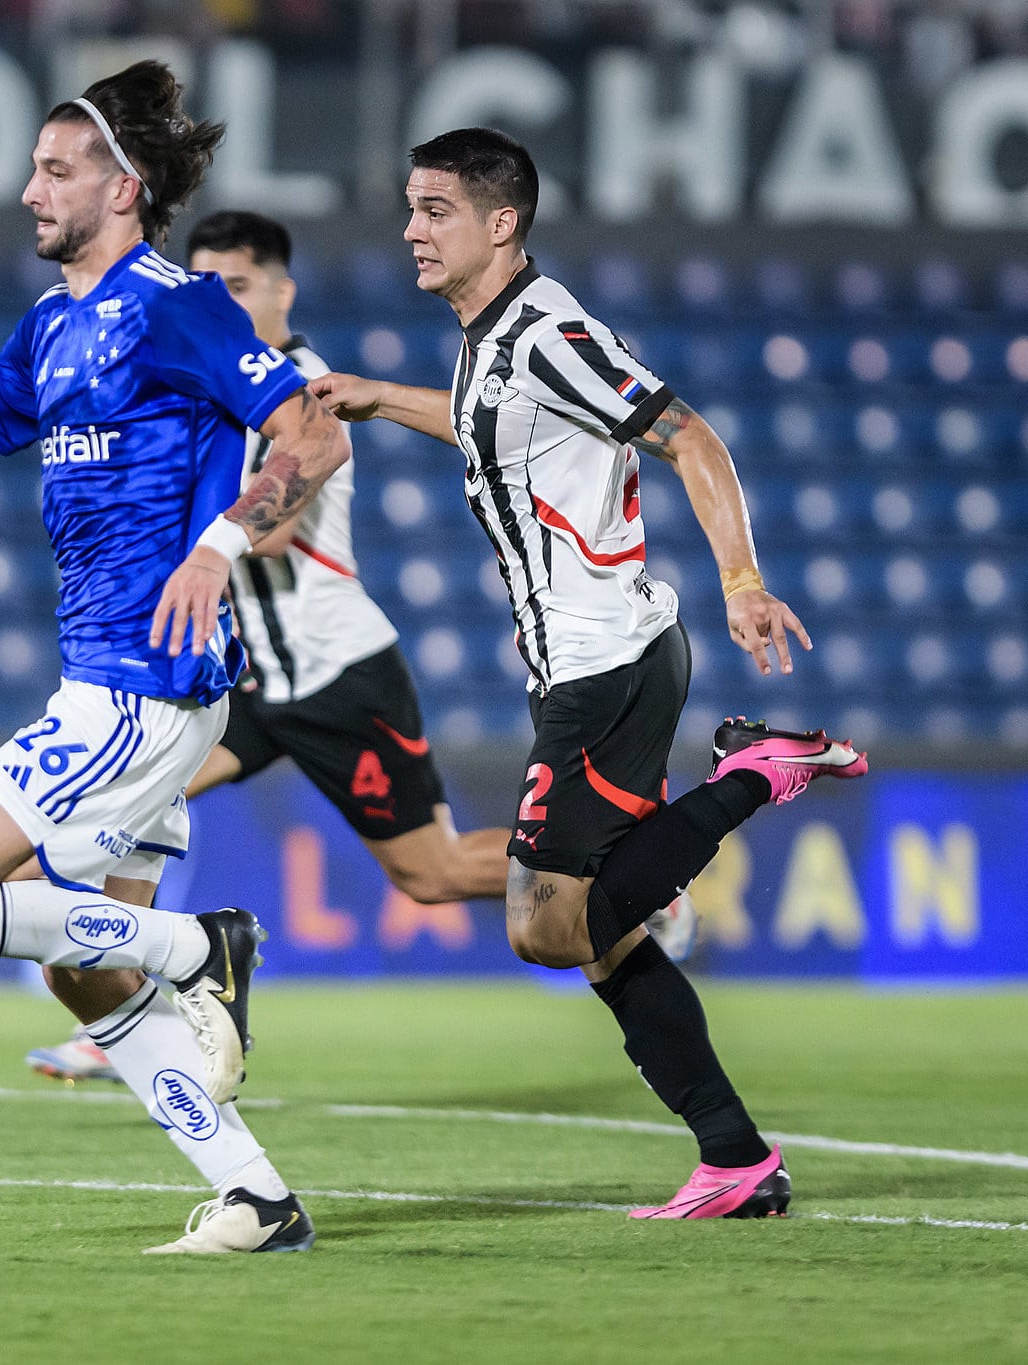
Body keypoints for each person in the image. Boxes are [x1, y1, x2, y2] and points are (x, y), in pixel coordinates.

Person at [0, 60, 350, 1254]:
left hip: (138, 686)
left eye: (54, 169)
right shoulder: (49, 328)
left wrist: (216, 545)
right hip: (115, 686)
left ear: (125, 185)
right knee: (79, 977)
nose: (26, 191)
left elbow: (310, 432)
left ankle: (206, 944)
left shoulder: (177, 303)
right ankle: (254, 1194)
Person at [310, 127, 866, 1219]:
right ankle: (735, 1161)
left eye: (433, 210)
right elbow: (492, 431)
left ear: (500, 222)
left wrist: (742, 579)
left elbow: (689, 438)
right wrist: (384, 396)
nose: (410, 230)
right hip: (585, 663)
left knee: (544, 926)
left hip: (605, 664)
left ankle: (758, 771)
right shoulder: (487, 339)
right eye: (409, 208)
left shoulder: (548, 331)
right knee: (598, 938)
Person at [27, 209, 693, 1089]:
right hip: (254, 678)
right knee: (134, 801)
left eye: (237, 285)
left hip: (339, 673)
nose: (218, 302)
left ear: (281, 290)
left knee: (432, 870)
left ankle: (641, 877)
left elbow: (262, 537)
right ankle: (129, 1020)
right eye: (204, 287)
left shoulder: (298, 390)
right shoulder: (212, 382)